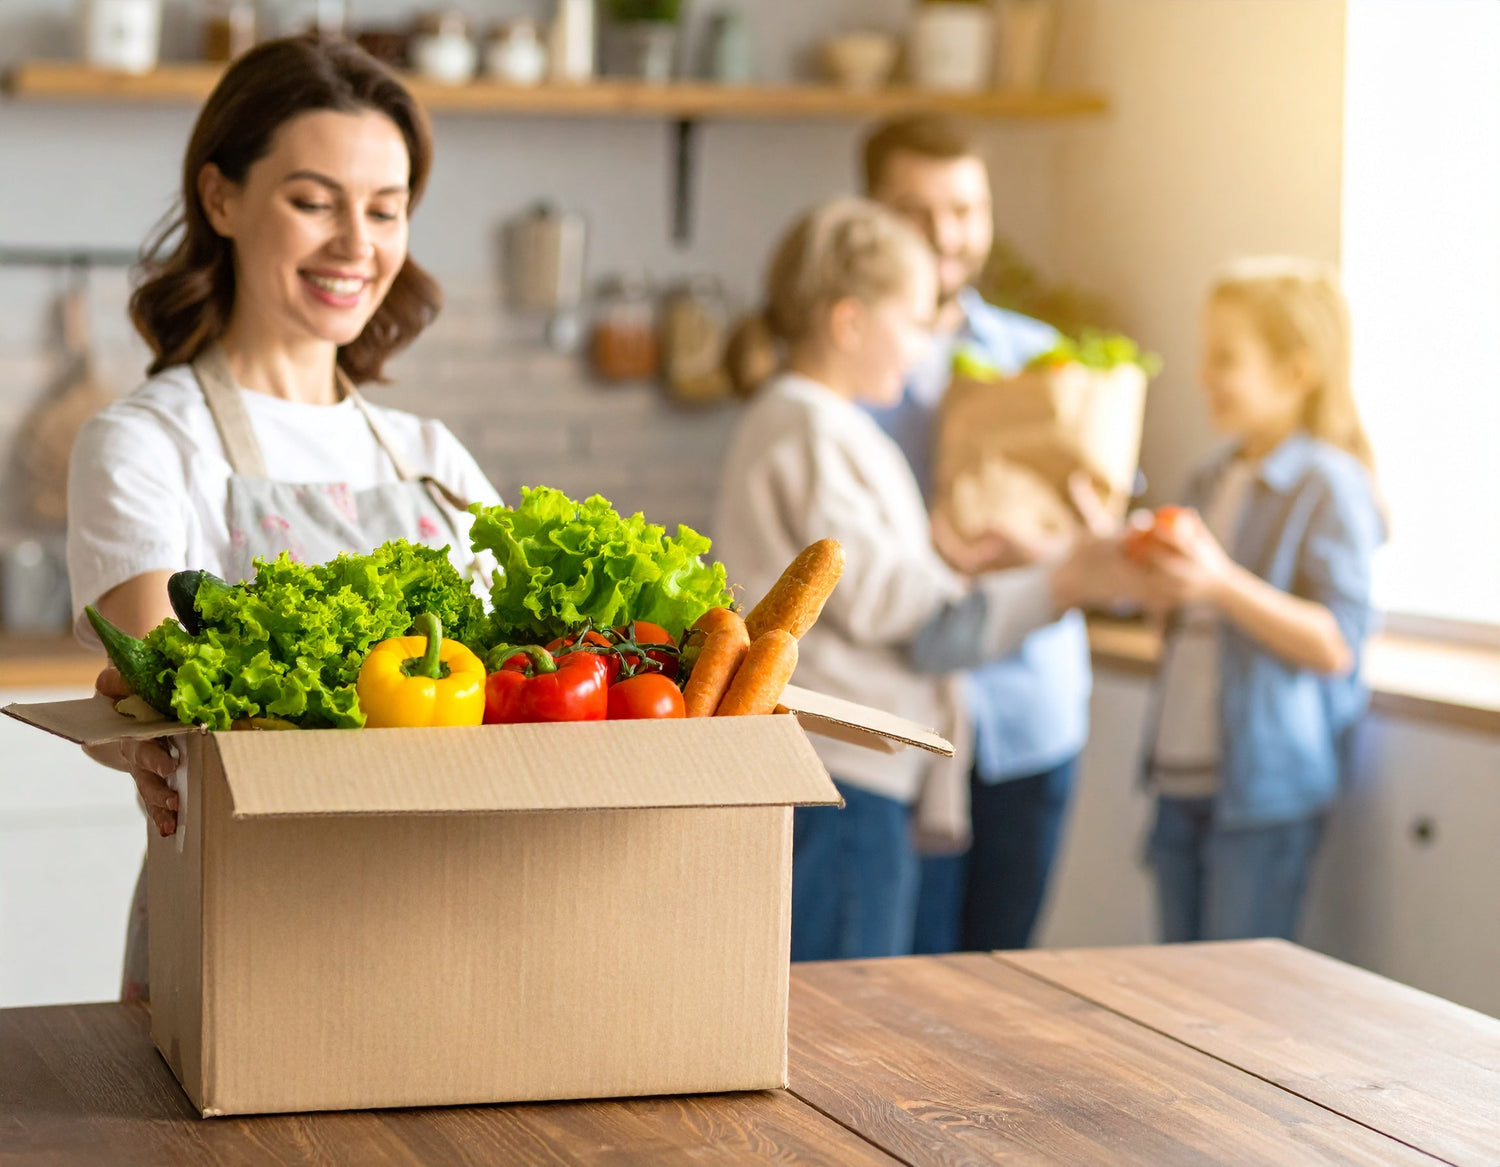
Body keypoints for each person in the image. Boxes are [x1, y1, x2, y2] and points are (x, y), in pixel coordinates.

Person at [66, 37, 501, 1000]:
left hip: (457, 907)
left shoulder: (431, 458)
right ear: (221, 199)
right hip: (247, 913)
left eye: (385, 210)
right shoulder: (143, 442)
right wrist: (145, 742)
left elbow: (516, 690)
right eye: (314, 202)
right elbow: (158, 701)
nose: (358, 244)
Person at [713, 198, 1151, 961]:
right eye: (915, 323)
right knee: (842, 1026)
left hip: (846, 777)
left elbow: (882, 593)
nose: (924, 350)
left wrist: (964, 565)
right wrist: (1069, 578)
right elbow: (924, 629)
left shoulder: (814, 420)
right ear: (849, 322)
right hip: (841, 779)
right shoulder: (814, 429)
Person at [860, 115, 1091, 953]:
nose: (944, 235)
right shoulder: (846, 366)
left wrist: (1062, 547)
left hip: (1029, 717)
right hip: (898, 726)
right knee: (897, 991)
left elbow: (1101, 531)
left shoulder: (1049, 364)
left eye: (964, 209)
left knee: (1005, 979)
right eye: (914, 210)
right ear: (869, 215)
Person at [1137, 257, 1384, 942]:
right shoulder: (1212, 473)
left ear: (1295, 372)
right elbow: (1183, 622)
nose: (1203, 376)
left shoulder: (1330, 484)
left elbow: (1336, 643)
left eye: (1225, 358)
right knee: (1178, 1004)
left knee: (1236, 1008)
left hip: (1262, 788)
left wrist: (1218, 582)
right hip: (1180, 770)